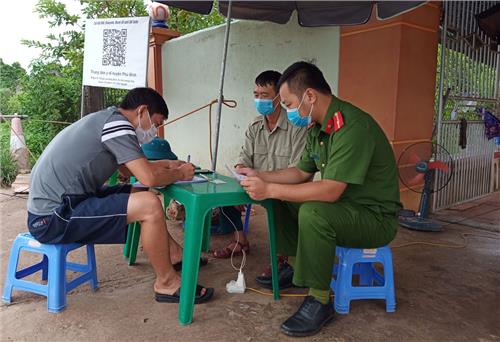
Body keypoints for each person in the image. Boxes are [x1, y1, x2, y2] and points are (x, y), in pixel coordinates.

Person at [238, 62, 402, 337]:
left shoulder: (352, 126)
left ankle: (319, 299)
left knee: (313, 212)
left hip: (374, 218)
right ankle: (294, 264)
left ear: (310, 96)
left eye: (289, 103)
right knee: (278, 200)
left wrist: (271, 189)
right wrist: (262, 176)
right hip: (346, 210)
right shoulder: (318, 128)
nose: (289, 111)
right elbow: (300, 172)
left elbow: (330, 191)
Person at [27, 87, 213, 304]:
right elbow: (149, 177)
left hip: (67, 203)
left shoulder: (108, 119)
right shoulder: (118, 125)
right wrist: (180, 173)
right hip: (52, 218)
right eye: (156, 123)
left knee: (138, 192)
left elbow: (128, 170)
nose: (155, 131)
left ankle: (173, 253)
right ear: (142, 111)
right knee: (149, 204)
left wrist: (167, 164)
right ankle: (166, 283)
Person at [211, 70, 307, 259]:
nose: (259, 100)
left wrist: (265, 182)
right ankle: (240, 241)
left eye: (265, 96)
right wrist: (240, 178)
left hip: (283, 188)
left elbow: (298, 172)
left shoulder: (296, 128)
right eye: (256, 95)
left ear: (279, 97)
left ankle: (284, 254)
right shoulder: (255, 127)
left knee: (281, 204)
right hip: (255, 184)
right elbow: (243, 160)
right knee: (222, 192)